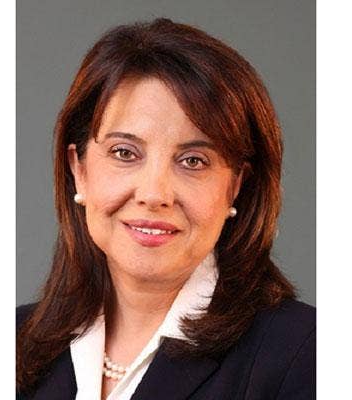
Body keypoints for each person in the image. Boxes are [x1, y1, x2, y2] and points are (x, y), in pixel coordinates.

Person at [16, 18, 315, 400]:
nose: (155, 194)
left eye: (193, 161)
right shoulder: (8, 344)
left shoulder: (306, 354)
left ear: (236, 186)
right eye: (125, 153)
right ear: (80, 170)